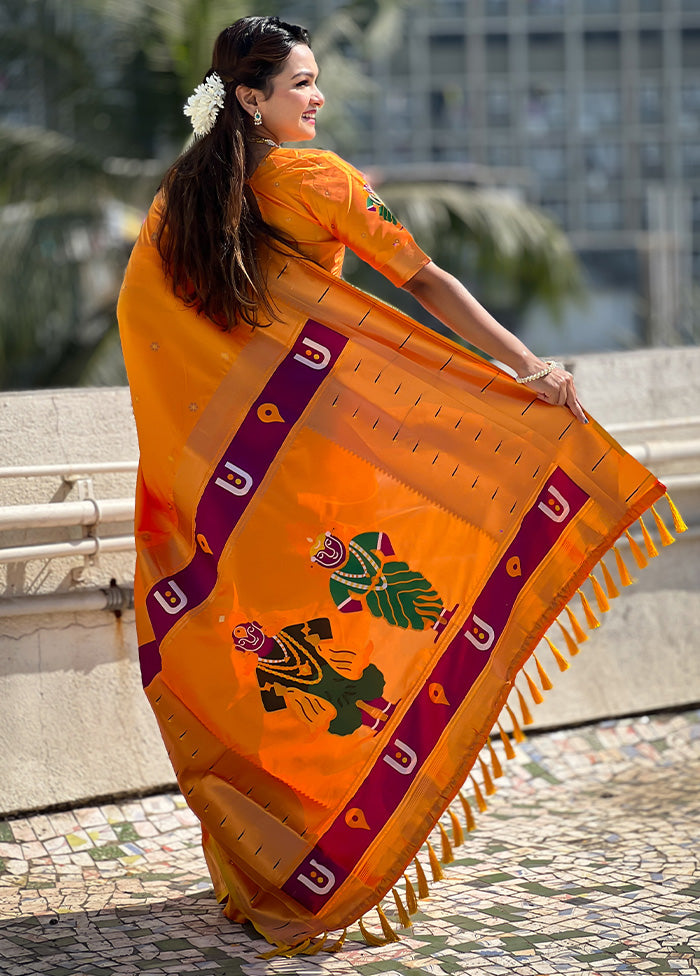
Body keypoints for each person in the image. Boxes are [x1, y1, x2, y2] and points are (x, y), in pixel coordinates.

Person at [118, 14, 677, 954]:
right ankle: (323, 854)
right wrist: (526, 367)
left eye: (314, 80)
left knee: (258, 643)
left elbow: (158, 327)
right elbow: (424, 282)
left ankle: (260, 861)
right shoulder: (318, 179)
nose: (317, 97)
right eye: (301, 83)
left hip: (238, 487)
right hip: (318, 459)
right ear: (250, 98)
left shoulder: (186, 194)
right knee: (341, 630)